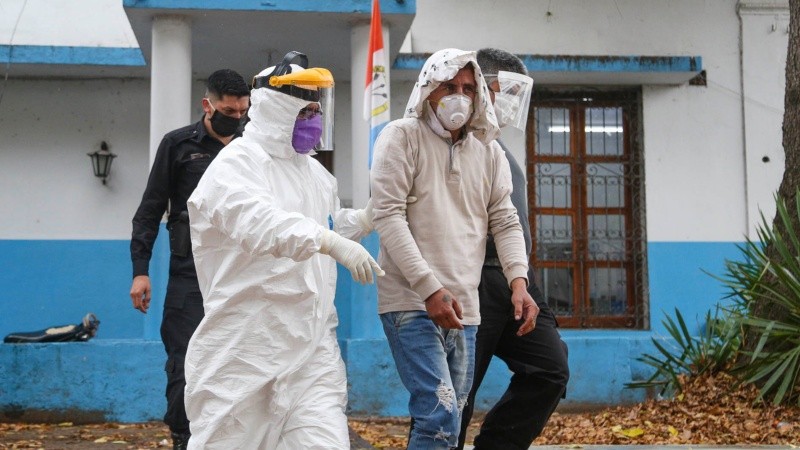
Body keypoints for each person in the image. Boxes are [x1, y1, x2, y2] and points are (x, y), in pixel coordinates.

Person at [182, 51, 383, 450]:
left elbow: (326, 225)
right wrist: (329, 242)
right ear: (275, 107)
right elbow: (259, 222)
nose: (314, 117)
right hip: (246, 348)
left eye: (316, 108)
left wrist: (362, 220)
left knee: (323, 442)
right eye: (304, 108)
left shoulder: (316, 174)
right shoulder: (235, 165)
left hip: (311, 348)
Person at [370, 48, 537, 450]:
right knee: (438, 412)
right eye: (449, 86)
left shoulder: (489, 150)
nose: (459, 95)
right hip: (411, 301)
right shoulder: (401, 137)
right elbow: (387, 216)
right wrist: (428, 288)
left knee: (453, 416)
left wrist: (519, 280)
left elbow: (506, 220)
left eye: (467, 87)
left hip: (467, 308)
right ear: (428, 90)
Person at [128, 69, 250, 450]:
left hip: (241, 275)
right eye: (229, 109)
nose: (237, 117)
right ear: (208, 105)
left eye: (243, 110)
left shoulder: (252, 147)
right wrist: (140, 273)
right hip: (190, 275)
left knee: (241, 360)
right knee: (185, 359)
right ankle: (184, 438)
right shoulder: (178, 145)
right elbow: (149, 211)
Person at [456, 48, 570, 450]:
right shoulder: (454, 143)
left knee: (550, 368)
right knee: (457, 394)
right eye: (506, 91)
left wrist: (520, 279)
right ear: (481, 89)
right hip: (474, 279)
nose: (511, 103)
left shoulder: (499, 150)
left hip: (517, 280)